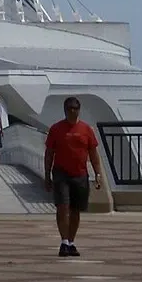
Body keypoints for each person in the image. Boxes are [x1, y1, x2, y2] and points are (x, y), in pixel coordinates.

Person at [44, 96, 102, 257]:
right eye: (69, 108)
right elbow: (49, 153)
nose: (72, 111)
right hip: (61, 173)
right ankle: (63, 242)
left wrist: (97, 173)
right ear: (65, 110)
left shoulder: (86, 129)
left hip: (80, 174)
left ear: (79, 110)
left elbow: (93, 153)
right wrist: (47, 175)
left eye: (75, 108)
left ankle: (71, 241)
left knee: (76, 210)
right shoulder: (56, 129)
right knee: (62, 207)